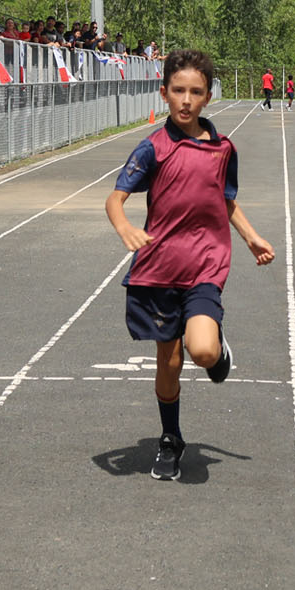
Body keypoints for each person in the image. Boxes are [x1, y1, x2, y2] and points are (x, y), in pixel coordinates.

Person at [105, 49, 274, 481]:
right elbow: (115, 197)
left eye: (195, 92)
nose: (185, 99)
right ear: (164, 93)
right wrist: (123, 224)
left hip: (205, 264)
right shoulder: (152, 148)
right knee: (170, 362)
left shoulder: (222, 149)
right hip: (159, 269)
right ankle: (170, 438)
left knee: (201, 350)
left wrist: (251, 236)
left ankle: (216, 344)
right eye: (177, 90)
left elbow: (226, 199)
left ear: (207, 98)